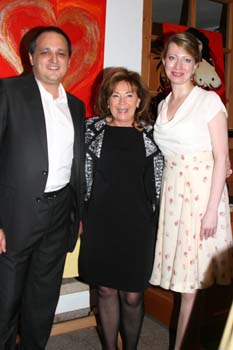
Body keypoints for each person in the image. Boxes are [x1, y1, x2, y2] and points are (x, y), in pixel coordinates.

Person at [0, 26, 85, 350]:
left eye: (61, 53)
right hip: (14, 216)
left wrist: (76, 215)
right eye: (46, 52)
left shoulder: (75, 106)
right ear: (31, 57)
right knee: (5, 303)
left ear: (68, 61)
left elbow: (74, 165)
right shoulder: (8, 92)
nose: (54, 59)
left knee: (42, 303)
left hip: (59, 214)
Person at [149, 32, 233, 350]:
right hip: (174, 196)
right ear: (164, 62)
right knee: (185, 285)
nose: (178, 65)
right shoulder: (163, 105)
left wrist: (212, 209)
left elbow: (221, 156)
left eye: (186, 60)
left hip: (201, 197)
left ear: (196, 65)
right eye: (172, 58)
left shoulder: (208, 100)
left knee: (190, 287)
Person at [78, 67, 163, 350]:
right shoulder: (91, 131)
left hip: (138, 226)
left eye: (129, 95)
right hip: (100, 223)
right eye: (116, 95)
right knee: (104, 289)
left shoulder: (154, 136)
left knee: (133, 296)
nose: (122, 102)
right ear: (107, 99)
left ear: (139, 100)